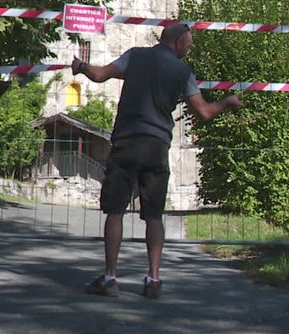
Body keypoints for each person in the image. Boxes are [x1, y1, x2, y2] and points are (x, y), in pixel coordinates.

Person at [71, 22, 242, 299]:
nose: (189, 48)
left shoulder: (135, 56)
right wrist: (228, 102)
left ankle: (111, 279)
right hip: (156, 146)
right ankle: (153, 280)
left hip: (126, 142)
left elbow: (100, 75)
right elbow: (205, 113)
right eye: (189, 43)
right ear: (177, 42)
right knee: (154, 215)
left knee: (115, 211)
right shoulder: (183, 71)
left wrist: (81, 67)